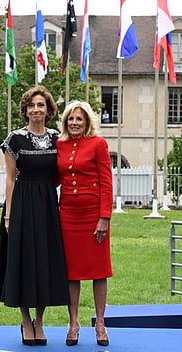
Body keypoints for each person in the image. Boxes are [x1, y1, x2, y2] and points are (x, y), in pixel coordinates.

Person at [0, 86, 70, 346]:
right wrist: (9, 216)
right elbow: (10, 178)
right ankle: (25, 320)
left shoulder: (57, 138)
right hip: (22, 204)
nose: (36, 110)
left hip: (48, 205)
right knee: (24, 260)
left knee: (44, 261)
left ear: (48, 110)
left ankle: (40, 320)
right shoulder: (14, 139)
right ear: (25, 110)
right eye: (31, 106)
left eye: (41, 105)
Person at [56, 100, 113, 347]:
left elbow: (106, 181)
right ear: (65, 122)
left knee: (99, 271)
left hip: (93, 216)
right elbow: (54, 177)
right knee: (72, 273)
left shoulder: (98, 144)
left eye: (79, 119)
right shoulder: (60, 145)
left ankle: (100, 323)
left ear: (88, 121)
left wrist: (104, 217)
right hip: (67, 214)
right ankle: (73, 323)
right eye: (71, 119)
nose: (75, 123)